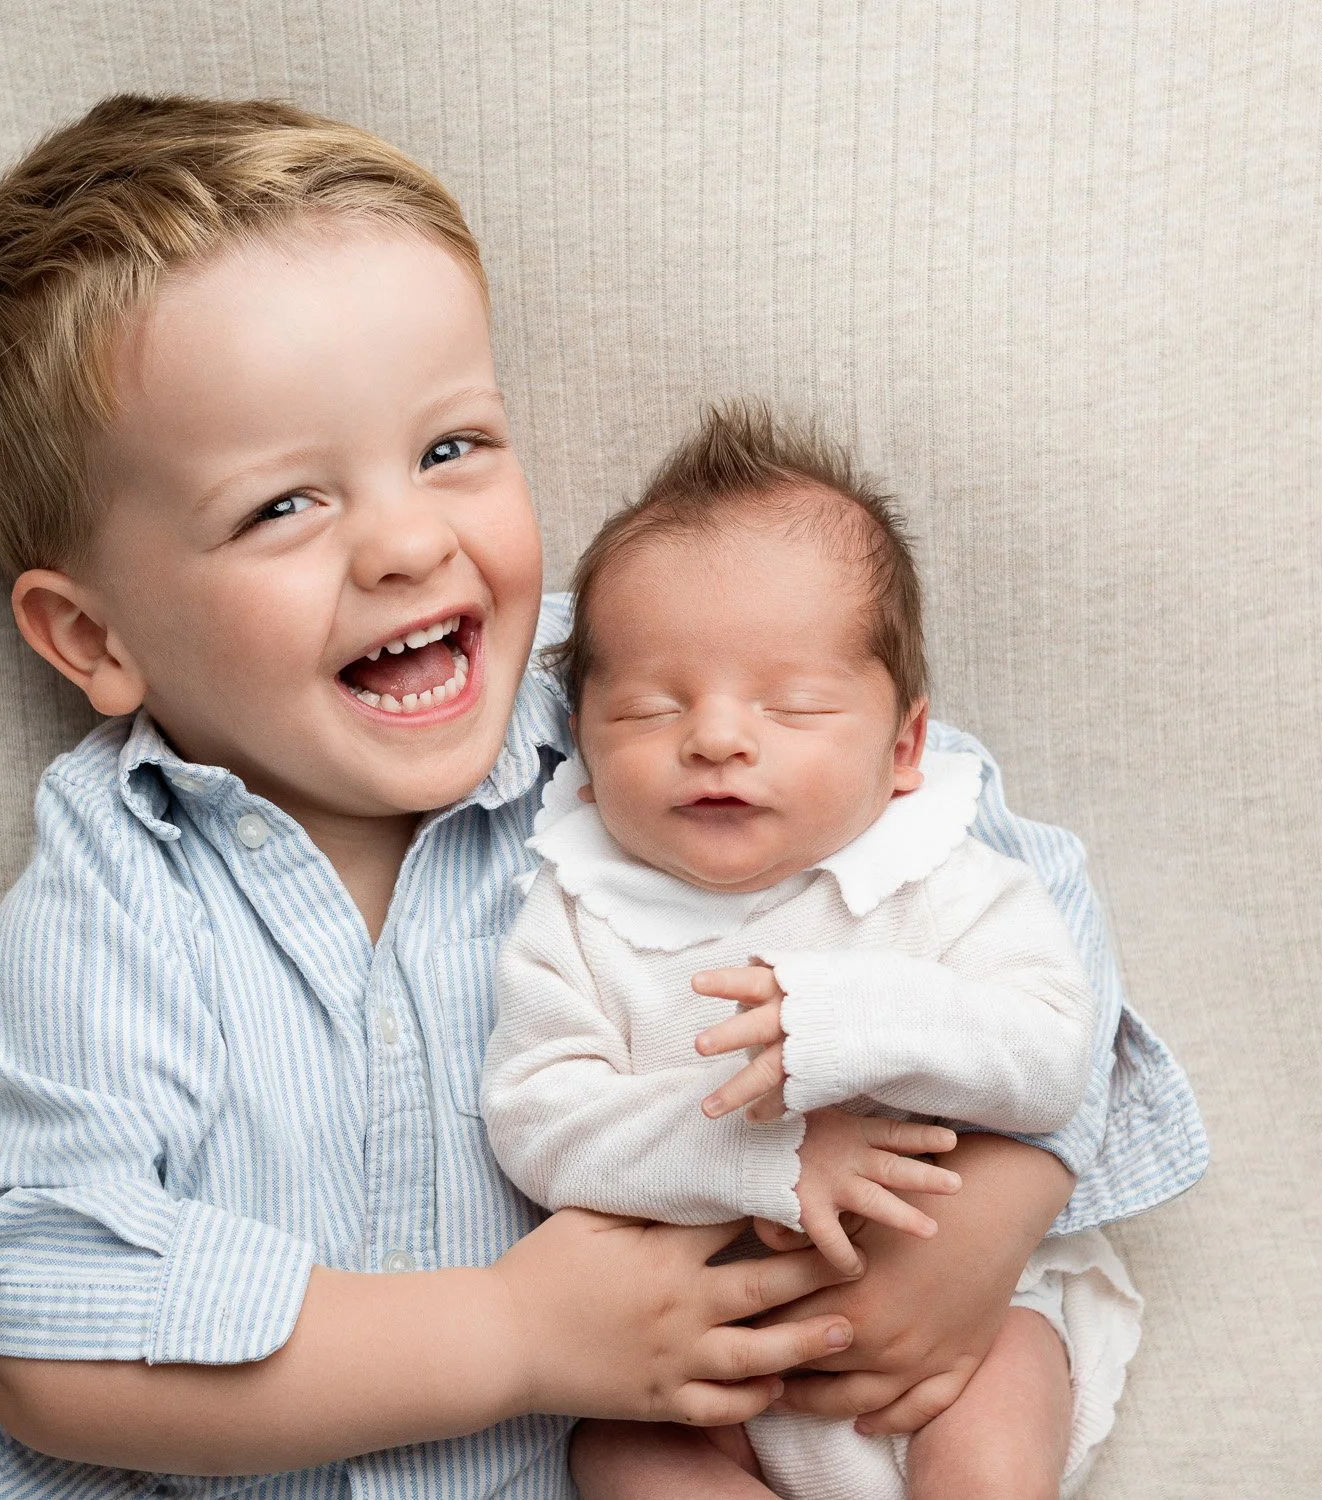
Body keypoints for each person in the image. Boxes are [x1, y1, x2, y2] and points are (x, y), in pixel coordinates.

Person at [0, 93, 1207, 1500]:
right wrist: (511, 1338)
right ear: (96, 638)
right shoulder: (120, 892)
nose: (408, 541)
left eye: (451, 448)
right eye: (283, 505)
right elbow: (40, 1325)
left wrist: (996, 1215)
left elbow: (1002, 879)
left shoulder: (636, 699)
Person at [484, 403, 1148, 1499]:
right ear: (586, 760)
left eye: (789, 704)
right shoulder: (576, 915)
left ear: (903, 749)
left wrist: (857, 1022)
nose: (715, 736)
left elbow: (1050, 1061)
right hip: (710, 1363)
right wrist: (762, 1159)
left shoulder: (946, 880)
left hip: (959, 1332)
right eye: (649, 710)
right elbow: (538, 1120)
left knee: (1005, 1398)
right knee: (615, 1457)